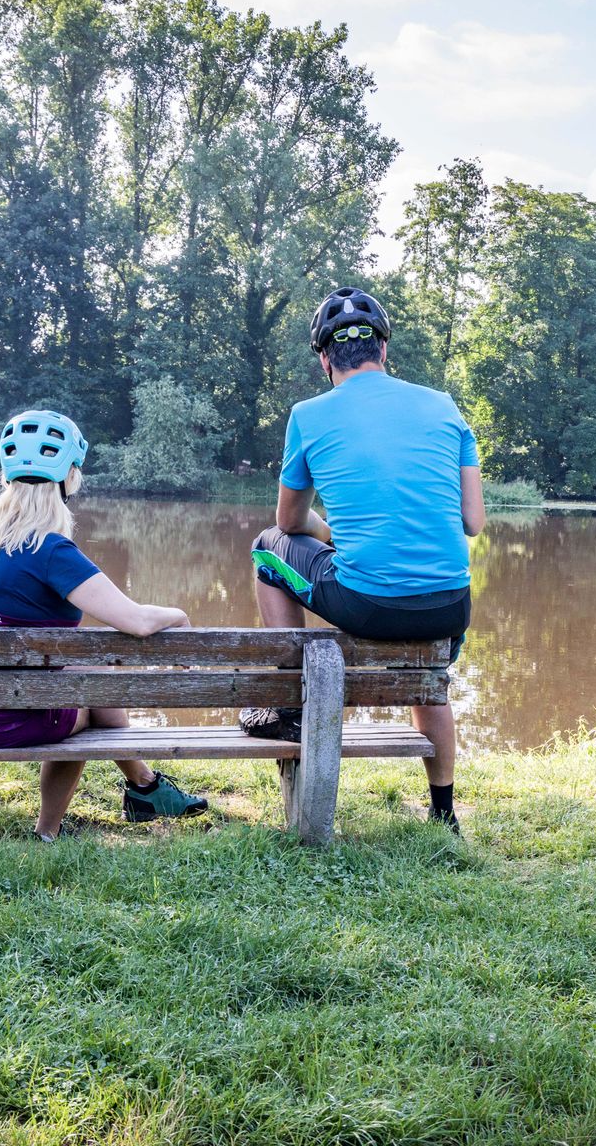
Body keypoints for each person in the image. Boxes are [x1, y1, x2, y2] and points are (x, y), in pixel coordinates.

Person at [243, 288, 484, 831]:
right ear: (382, 350)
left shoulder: (308, 415)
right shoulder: (444, 405)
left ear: (326, 359)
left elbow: (287, 524)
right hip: (448, 606)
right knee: (429, 678)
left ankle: (287, 702)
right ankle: (443, 813)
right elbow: (472, 522)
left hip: (369, 603)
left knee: (265, 551)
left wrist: (329, 536)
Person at [0, 408, 208, 841]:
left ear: (7, 477)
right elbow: (133, 620)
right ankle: (59, 825)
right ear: (69, 476)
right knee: (86, 690)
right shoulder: (53, 552)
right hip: (2, 717)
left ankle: (146, 786)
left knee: (84, 680)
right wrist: (179, 615)